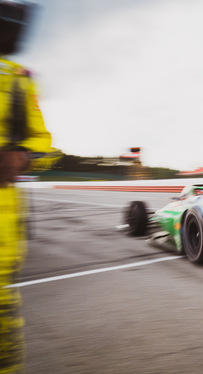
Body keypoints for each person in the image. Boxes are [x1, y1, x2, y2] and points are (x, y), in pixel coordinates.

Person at [0, 1, 54, 372]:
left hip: (3, 227)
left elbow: (44, 144)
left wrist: (22, 155)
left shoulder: (18, 78)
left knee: (4, 324)